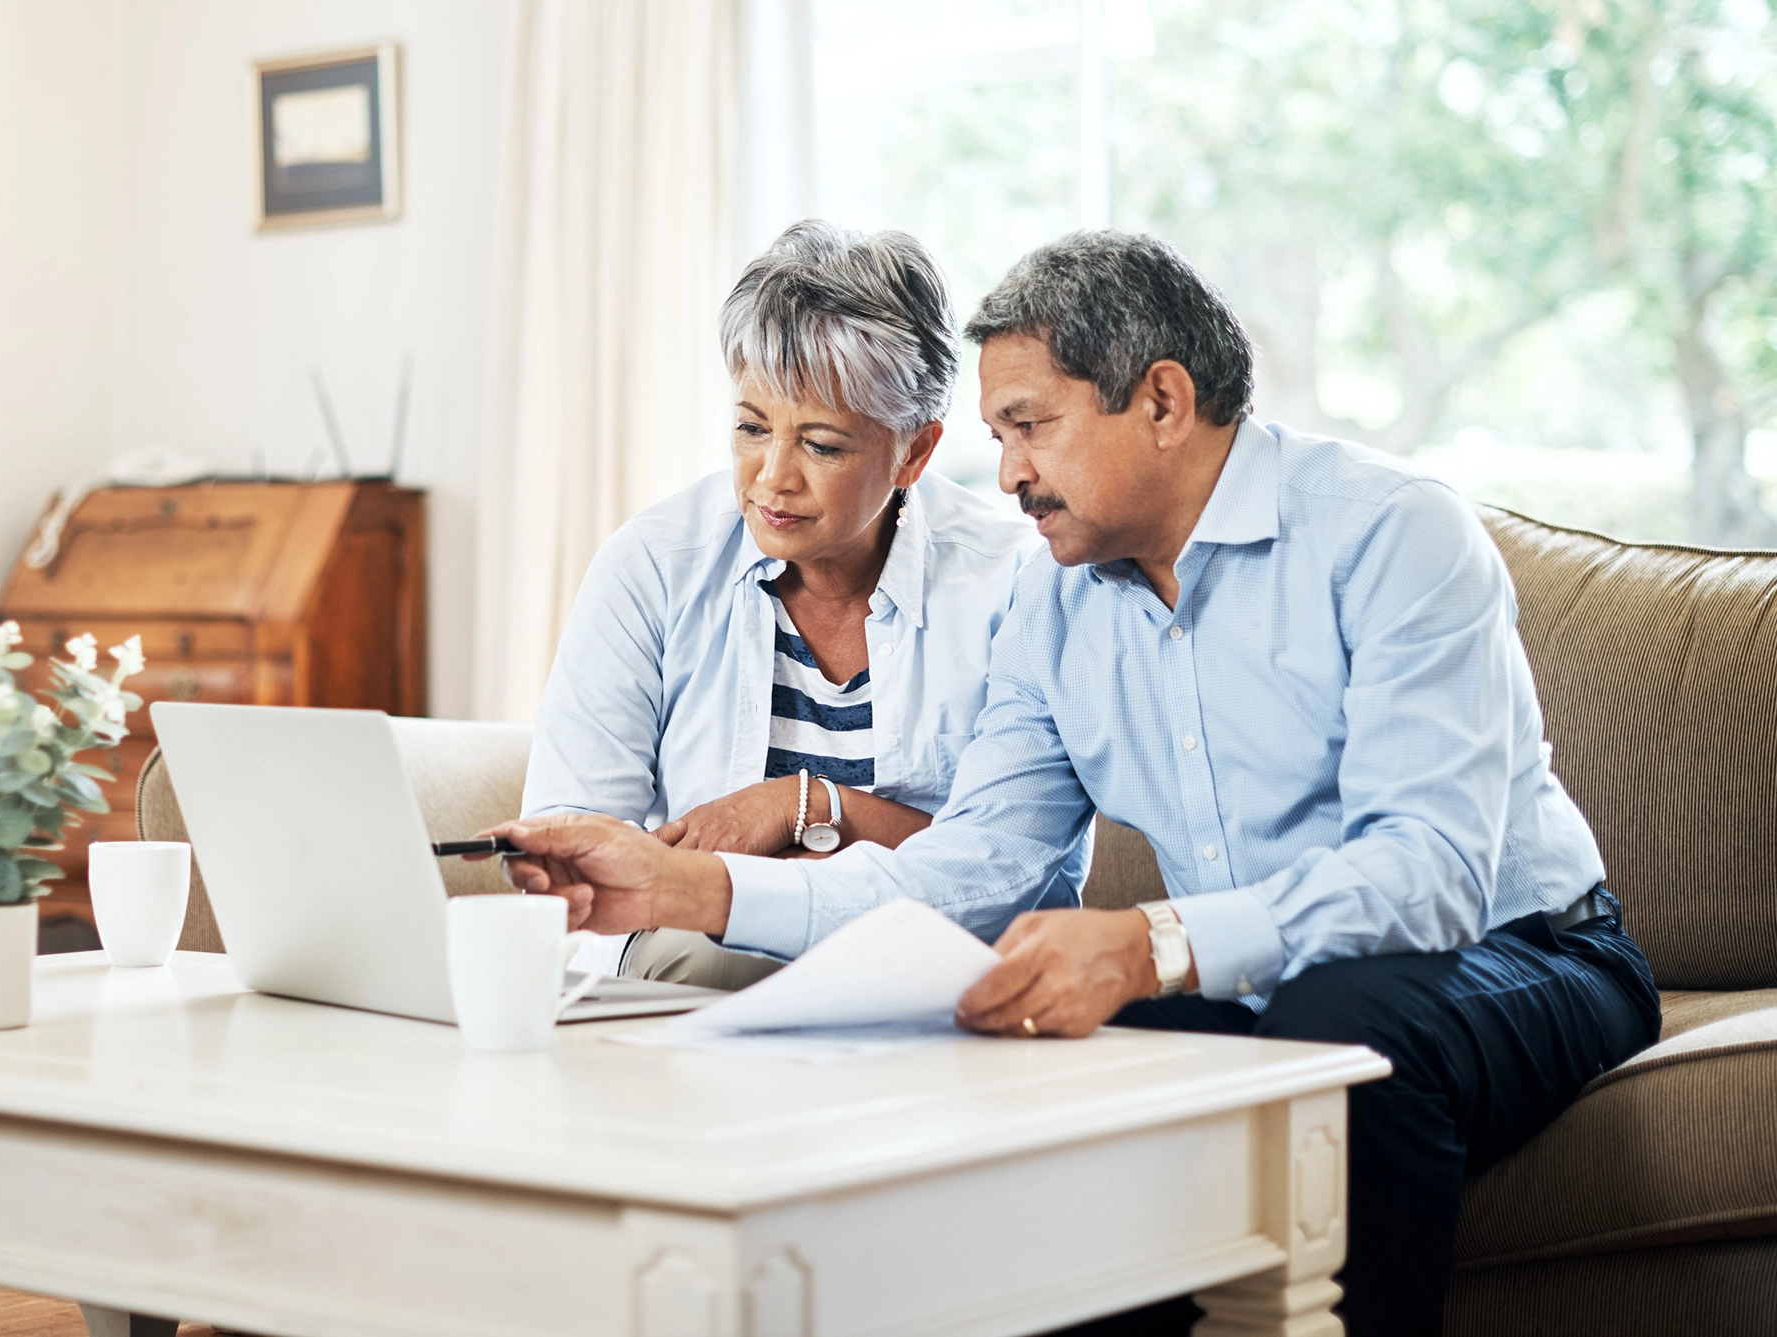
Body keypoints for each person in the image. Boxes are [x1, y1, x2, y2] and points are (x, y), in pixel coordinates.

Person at [486, 231, 1661, 1336]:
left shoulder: (1392, 534)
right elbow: (970, 869)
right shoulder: (1048, 598)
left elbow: (1429, 874)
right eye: (997, 436)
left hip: (1525, 946)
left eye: (1027, 427)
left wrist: (1145, 943)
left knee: (1333, 1032)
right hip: (1265, 976)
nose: (1004, 475)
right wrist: (682, 888)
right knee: (1047, 1078)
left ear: (1159, 401)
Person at [521, 219, 1075, 990]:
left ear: (913, 450)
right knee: (700, 958)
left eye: (820, 444)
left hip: (930, 970)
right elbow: (576, 846)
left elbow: (1014, 871)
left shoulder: (1013, 582)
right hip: (698, 970)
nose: (771, 477)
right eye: (751, 427)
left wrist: (804, 804)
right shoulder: (652, 565)